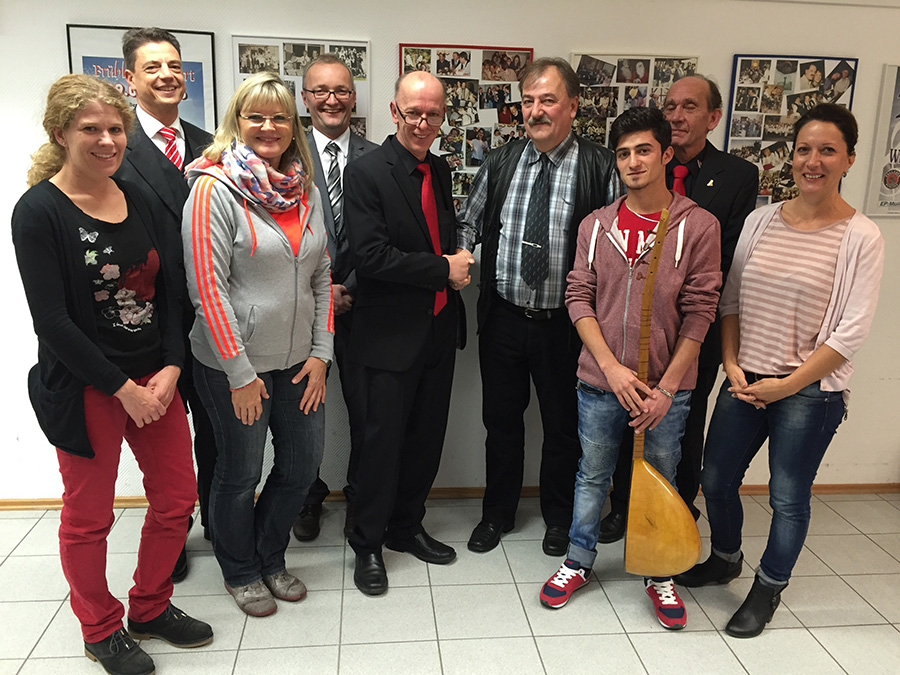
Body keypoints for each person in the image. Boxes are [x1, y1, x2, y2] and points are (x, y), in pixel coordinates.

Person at [12, 74, 213, 675]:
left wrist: (172, 366)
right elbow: (51, 321)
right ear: (60, 133)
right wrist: (122, 389)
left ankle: (150, 606)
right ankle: (99, 628)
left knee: (177, 499)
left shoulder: (137, 196)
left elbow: (171, 289)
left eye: (115, 129)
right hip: (88, 388)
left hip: (155, 381)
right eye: (91, 129)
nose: (107, 140)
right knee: (89, 518)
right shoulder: (38, 211)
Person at [675, 103, 884, 638]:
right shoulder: (760, 220)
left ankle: (768, 588)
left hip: (809, 393)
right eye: (804, 150)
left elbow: (850, 332)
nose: (813, 161)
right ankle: (726, 557)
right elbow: (730, 300)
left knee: (787, 497)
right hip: (745, 380)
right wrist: (731, 363)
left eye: (827, 151)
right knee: (716, 479)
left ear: (849, 159)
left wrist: (788, 385)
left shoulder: (861, 237)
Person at [538, 106, 721, 630]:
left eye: (644, 150)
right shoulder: (597, 226)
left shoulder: (697, 225)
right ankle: (578, 559)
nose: (633, 162)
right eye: (623, 154)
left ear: (666, 155)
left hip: (666, 390)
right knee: (592, 473)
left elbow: (701, 311)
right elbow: (579, 298)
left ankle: (658, 570)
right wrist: (611, 369)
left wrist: (667, 389)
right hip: (601, 383)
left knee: (660, 475)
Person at [182, 72, 333, 617]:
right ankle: (240, 569)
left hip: (299, 364)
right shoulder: (212, 189)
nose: (269, 127)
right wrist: (240, 375)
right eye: (256, 116)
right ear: (237, 123)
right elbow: (208, 290)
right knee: (239, 473)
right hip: (234, 367)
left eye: (280, 117)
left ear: (294, 127)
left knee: (301, 468)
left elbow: (322, 276)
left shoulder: (304, 189)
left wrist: (322, 354)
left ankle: (270, 556)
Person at [457, 57, 621, 557]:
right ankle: (497, 514)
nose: (535, 111)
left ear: (572, 106)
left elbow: (616, 245)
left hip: (566, 327)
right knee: (501, 423)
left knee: (563, 427)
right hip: (504, 317)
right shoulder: (501, 161)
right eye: (528, 101)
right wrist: (461, 255)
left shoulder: (601, 165)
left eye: (547, 100)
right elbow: (468, 222)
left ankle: (558, 517)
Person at [600, 75, 758, 542]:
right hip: (630, 328)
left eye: (689, 107)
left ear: (714, 117)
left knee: (681, 424)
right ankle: (624, 507)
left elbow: (728, 256)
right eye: (670, 106)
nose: (677, 115)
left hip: (691, 329)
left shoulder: (736, 175)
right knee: (627, 416)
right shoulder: (638, 164)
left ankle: (676, 508)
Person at [343, 71, 473, 596]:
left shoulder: (438, 168)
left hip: (438, 329)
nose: (423, 123)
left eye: (433, 114)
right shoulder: (365, 172)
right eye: (413, 112)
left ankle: (406, 526)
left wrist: (454, 261)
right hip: (386, 337)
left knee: (425, 439)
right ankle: (367, 543)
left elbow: (436, 235)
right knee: (380, 445)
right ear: (394, 111)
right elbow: (370, 257)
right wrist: (443, 269)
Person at [114, 27, 215, 583]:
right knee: (163, 442)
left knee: (219, 431)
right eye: (152, 67)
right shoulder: (116, 147)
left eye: (174, 65)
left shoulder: (211, 143)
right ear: (129, 79)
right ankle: (172, 532)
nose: (166, 75)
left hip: (215, 315)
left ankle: (222, 523)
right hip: (152, 321)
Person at [292, 54, 378, 542]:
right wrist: (324, 293)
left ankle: (360, 498)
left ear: (353, 97)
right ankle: (307, 494)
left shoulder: (377, 156)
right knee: (303, 413)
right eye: (320, 90)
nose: (332, 99)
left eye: (341, 90)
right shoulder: (284, 154)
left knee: (367, 412)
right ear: (305, 98)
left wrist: (352, 289)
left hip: (365, 307)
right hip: (304, 309)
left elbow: (386, 236)